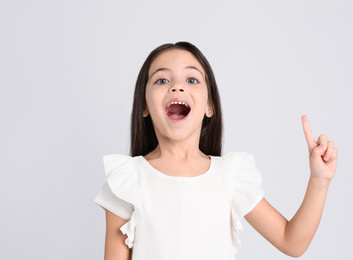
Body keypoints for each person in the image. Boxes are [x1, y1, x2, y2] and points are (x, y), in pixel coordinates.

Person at [95, 42, 338, 260]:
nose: (177, 87)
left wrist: (319, 181)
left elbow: (292, 242)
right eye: (162, 80)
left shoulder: (229, 176)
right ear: (145, 106)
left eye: (191, 80)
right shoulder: (126, 181)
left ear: (209, 106)